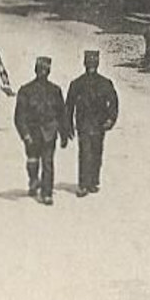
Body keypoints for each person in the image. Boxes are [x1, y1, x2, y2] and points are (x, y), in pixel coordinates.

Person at [64, 49, 119, 195]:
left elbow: (113, 103)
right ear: (84, 64)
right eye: (89, 63)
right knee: (85, 152)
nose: (91, 66)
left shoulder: (105, 83)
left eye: (94, 63)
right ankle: (83, 184)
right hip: (83, 124)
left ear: (98, 63)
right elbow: (69, 106)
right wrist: (68, 126)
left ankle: (93, 181)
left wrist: (111, 119)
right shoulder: (77, 84)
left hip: (99, 124)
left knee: (97, 152)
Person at [13, 56, 65, 205]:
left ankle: (47, 193)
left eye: (46, 70)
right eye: (40, 69)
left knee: (48, 162)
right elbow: (19, 116)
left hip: (49, 132)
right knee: (33, 161)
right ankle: (34, 180)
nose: (43, 73)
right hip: (32, 133)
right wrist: (25, 134)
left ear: (49, 71)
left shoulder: (55, 90)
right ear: (35, 70)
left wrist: (63, 133)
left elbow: (61, 113)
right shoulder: (26, 90)